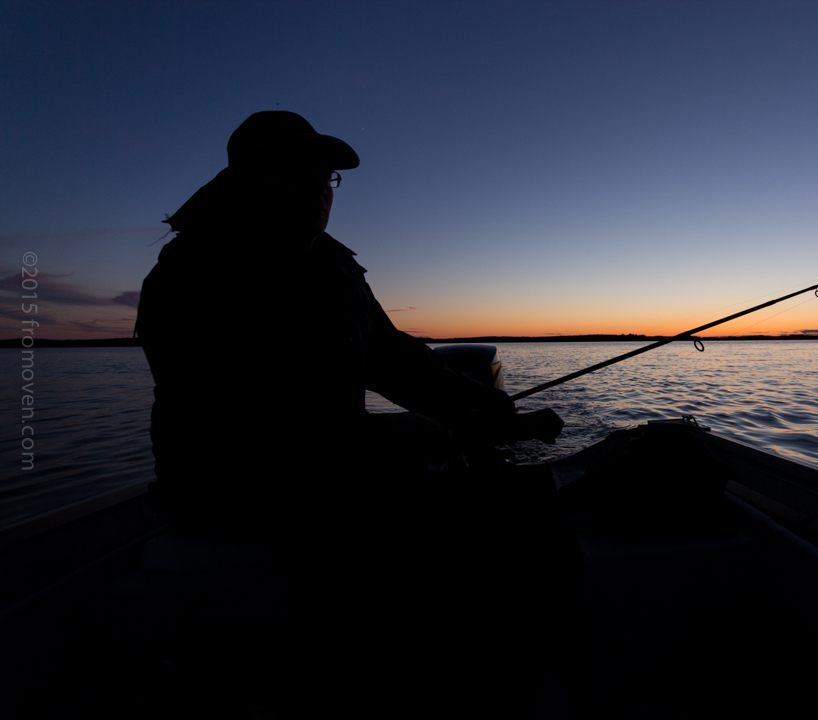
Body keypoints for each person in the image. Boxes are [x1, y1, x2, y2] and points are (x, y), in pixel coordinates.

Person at [135, 111, 569, 715]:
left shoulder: (334, 269)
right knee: (412, 528)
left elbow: (398, 362)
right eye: (295, 169)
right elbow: (227, 418)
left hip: (332, 463)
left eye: (325, 174)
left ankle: (509, 676)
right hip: (226, 483)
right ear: (245, 177)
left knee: (506, 493)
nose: (317, 185)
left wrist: (493, 411)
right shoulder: (191, 274)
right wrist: (374, 435)